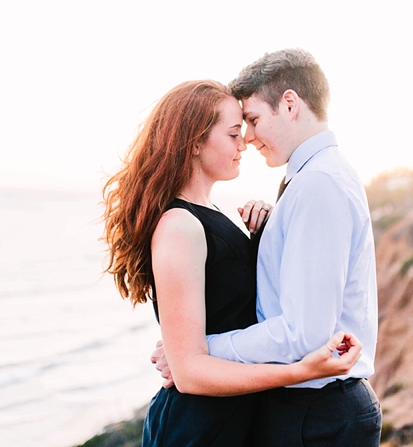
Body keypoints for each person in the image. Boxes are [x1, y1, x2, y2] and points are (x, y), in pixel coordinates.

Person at [101, 79, 363, 446]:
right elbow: (190, 373)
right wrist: (298, 371)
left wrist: (266, 233)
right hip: (200, 429)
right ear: (194, 142)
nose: (246, 143)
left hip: (235, 419)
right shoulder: (179, 225)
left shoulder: (212, 214)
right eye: (234, 133)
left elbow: (243, 304)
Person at [153, 49, 382, 446]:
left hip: (317, 416)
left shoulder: (318, 183)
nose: (249, 137)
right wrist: (265, 232)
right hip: (308, 411)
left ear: (290, 104)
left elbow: (303, 334)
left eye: (254, 121)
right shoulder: (312, 179)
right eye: (240, 128)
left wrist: (199, 352)